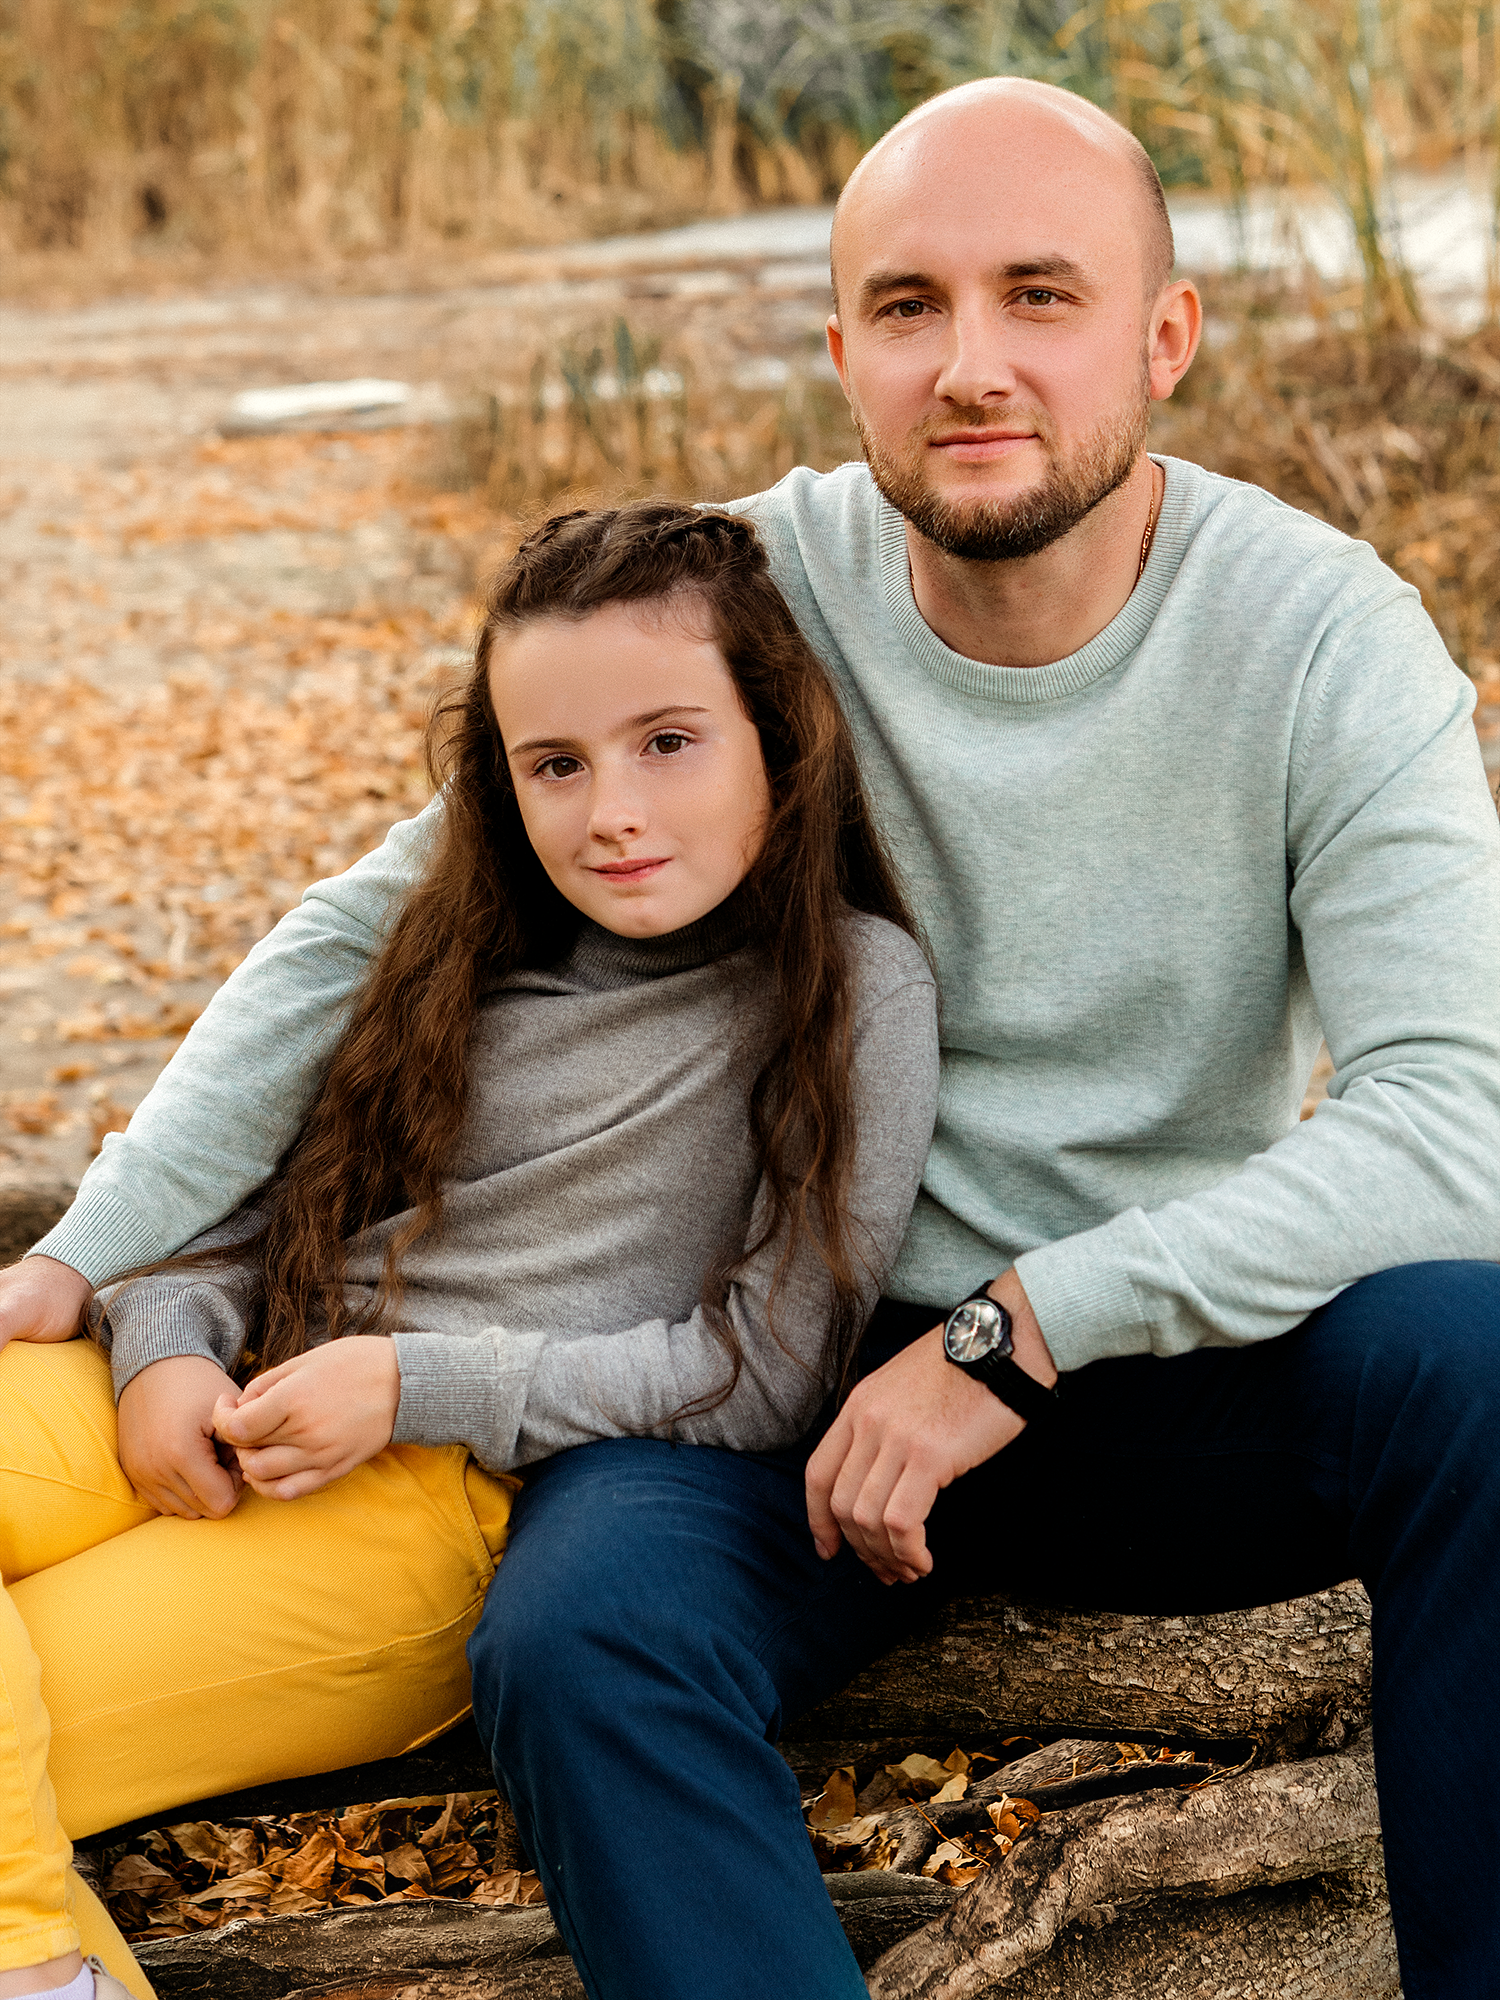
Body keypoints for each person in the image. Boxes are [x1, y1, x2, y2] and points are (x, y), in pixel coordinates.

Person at [3, 75, 1497, 2000]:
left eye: (1042, 295)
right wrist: (100, 1251)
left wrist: (1023, 1329)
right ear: (844, 354)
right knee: (582, 1636)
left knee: (1477, 1364)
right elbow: (370, 924)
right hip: (761, 1363)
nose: (972, 364)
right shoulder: (760, 590)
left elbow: (1454, 1120)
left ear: (1167, 335)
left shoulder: (1319, 638)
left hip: (1148, 1356)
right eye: (909, 306)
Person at [0, 504, 939, 2000]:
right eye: (555, 764)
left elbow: (766, 1373)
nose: (611, 812)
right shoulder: (457, 942)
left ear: (779, 735)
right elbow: (251, 1207)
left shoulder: (849, 990)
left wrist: (410, 1384)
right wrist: (164, 1347)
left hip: (424, 1501)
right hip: (193, 1387)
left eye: (668, 744)